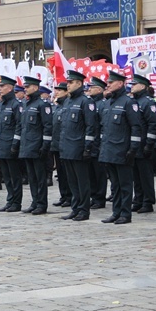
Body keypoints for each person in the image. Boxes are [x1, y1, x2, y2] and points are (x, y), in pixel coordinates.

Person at [98, 71, 142, 225]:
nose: (108, 85)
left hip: (123, 151)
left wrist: (133, 149)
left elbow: (136, 127)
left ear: (121, 83)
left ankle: (125, 213)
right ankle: (116, 212)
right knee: (115, 185)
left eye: (111, 82)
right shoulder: (109, 102)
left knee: (125, 185)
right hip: (109, 150)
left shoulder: (128, 103)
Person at [59, 71, 97, 221]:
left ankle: (83, 209)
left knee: (82, 181)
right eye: (67, 82)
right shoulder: (67, 101)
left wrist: (88, 147)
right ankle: (75, 208)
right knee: (72, 181)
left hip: (78, 147)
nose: (67, 85)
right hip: (66, 147)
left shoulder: (85, 101)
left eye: (71, 82)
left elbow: (90, 126)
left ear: (79, 84)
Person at [19, 76, 52, 215]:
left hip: (38, 146)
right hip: (27, 146)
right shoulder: (26, 104)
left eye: (27, 87)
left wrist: (45, 145)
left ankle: (41, 204)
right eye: (25, 87)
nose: (25, 89)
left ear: (36, 87)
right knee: (32, 178)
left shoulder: (42, 104)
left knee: (40, 178)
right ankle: (34, 201)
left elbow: (47, 126)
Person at [129, 74, 156, 214]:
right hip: (135, 145)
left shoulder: (148, 102)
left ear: (142, 86)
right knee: (136, 175)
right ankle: (138, 199)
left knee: (145, 175)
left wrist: (149, 144)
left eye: (134, 85)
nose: (131, 87)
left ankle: (148, 201)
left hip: (144, 144)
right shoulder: (134, 101)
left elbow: (153, 125)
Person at [0, 76, 23, 212]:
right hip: (1, 145)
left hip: (10, 146)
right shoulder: (0, 105)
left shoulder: (16, 105)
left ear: (10, 88)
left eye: (2, 86)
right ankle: (10, 200)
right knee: (7, 176)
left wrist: (15, 144)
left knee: (14, 176)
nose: (0, 89)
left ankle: (16, 202)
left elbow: (19, 125)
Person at [87, 77, 108, 209]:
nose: (89, 90)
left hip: (98, 143)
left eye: (92, 87)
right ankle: (93, 196)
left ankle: (100, 198)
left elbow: (103, 125)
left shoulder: (103, 104)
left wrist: (100, 143)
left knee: (99, 173)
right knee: (91, 173)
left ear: (99, 89)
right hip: (90, 143)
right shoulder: (90, 103)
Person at [50, 82, 71, 208]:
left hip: (66, 145)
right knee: (61, 174)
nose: (57, 92)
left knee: (67, 173)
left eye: (60, 90)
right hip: (57, 144)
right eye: (56, 90)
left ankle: (70, 196)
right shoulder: (57, 106)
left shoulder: (66, 105)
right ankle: (64, 195)